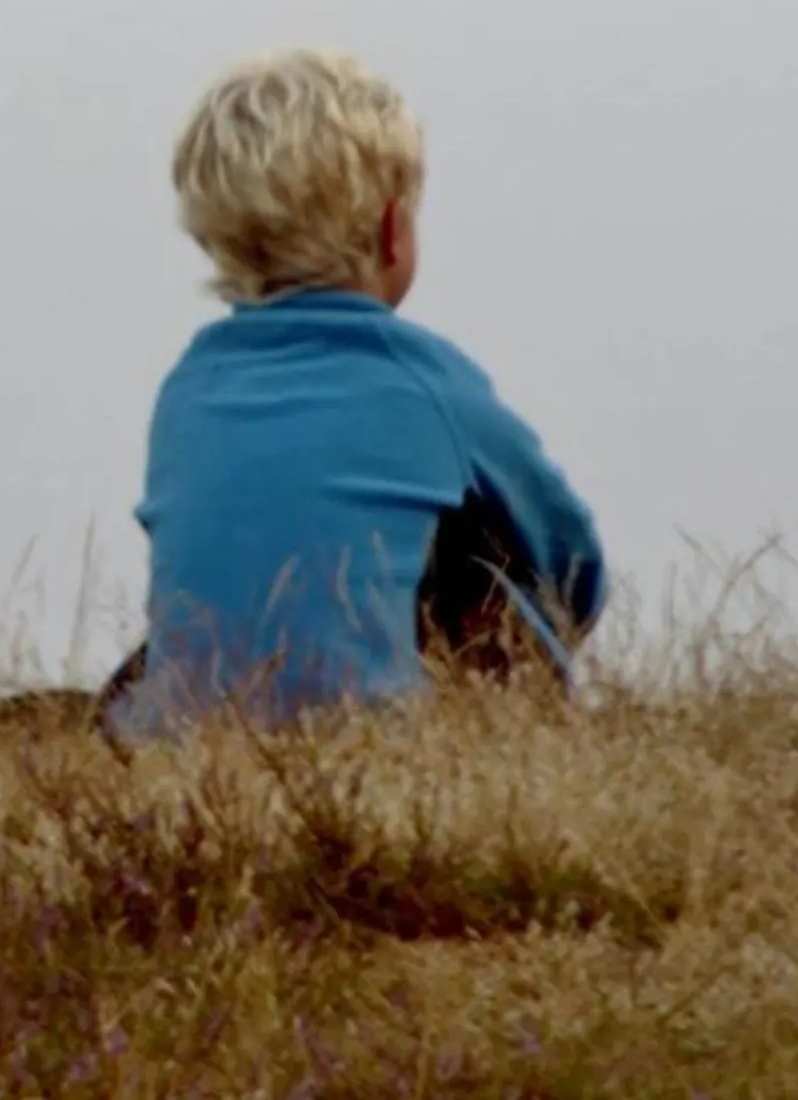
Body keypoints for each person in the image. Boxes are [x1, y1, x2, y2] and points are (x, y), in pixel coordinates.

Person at [101, 47, 605, 738]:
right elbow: (570, 570)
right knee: (481, 563)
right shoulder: (425, 380)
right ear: (394, 229)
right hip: (372, 746)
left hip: (182, 749)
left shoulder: (189, 386)